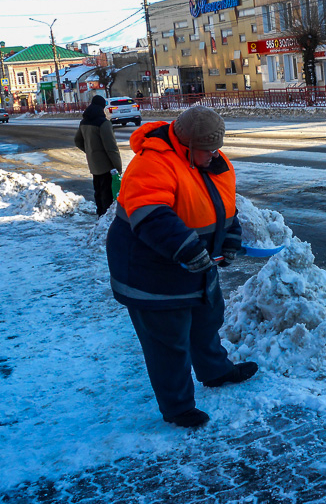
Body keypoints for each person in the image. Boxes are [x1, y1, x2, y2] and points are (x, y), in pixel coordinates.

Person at [106, 106, 257, 428]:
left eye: (216, 149)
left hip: (194, 262)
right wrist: (188, 250)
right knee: (167, 341)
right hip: (150, 270)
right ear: (185, 145)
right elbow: (152, 216)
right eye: (205, 150)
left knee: (206, 320)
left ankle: (216, 371)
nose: (212, 156)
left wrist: (229, 239)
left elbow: (223, 206)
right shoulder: (152, 163)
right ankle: (177, 407)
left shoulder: (212, 162)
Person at [73, 94, 122, 216]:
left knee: (98, 192)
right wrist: (118, 167)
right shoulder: (103, 123)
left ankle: (100, 217)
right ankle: (106, 219)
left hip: (94, 164)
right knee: (107, 195)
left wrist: (89, 151)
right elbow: (111, 148)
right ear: (102, 107)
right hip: (107, 166)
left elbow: (77, 141)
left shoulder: (84, 122)